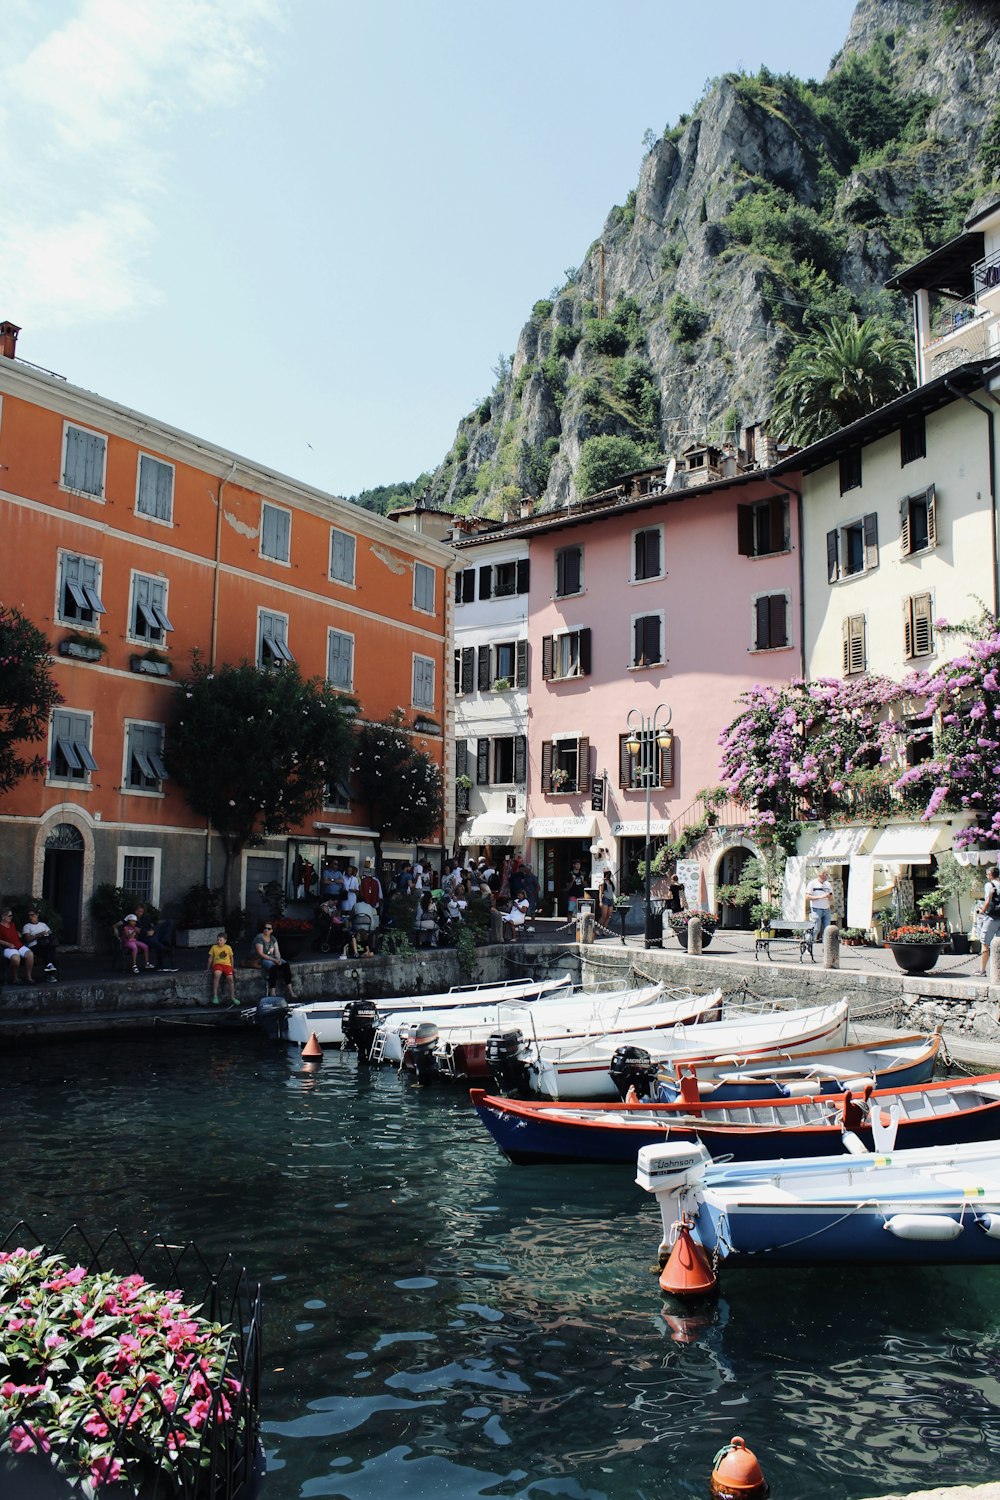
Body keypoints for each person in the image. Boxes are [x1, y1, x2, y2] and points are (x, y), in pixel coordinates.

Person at [253, 923, 297, 999]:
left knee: (285, 965)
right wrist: (274, 960)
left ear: (271, 931)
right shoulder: (259, 938)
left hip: (272, 957)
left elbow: (277, 951)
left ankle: (290, 990)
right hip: (262, 959)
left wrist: (278, 959)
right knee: (273, 968)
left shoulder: (273, 939)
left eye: (269, 929)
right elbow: (260, 954)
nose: (266, 930)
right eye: (265, 928)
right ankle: (272, 991)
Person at [1, 908, 34, 984]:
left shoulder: (12, 924)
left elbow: (13, 933)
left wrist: (17, 933)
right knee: (16, 958)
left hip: (18, 945)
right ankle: (15, 978)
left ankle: (28, 976)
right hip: (8, 947)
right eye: (9, 916)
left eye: (11, 916)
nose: (11, 917)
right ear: (3, 917)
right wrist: (8, 944)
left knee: (30, 954)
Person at [979, 864, 1000, 976]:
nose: (987, 876)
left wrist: (982, 911)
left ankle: (982, 970)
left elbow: (987, 901)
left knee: (985, 944)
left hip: (992, 917)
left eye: (987, 874)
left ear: (991, 875)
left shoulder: (989, 885)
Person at [21, 907, 56, 975]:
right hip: (34, 946)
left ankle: (50, 967)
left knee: (50, 949)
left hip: (45, 944)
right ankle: (50, 971)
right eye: (29, 915)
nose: (30, 917)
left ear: (37, 915)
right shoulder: (27, 926)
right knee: (49, 953)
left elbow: (50, 932)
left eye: (32, 915)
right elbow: (27, 939)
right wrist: (39, 935)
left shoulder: (43, 924)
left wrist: (45, 934)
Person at [207, 931, 237, 1005]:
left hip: (227, 965)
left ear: (225, 941)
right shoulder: (214, 947)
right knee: (217, 974)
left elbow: (231, 958)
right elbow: (210, 958)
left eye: (220, 940)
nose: (218, 941)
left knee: (230, 978)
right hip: (218, 964)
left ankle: (232, 997)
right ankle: (215, 996)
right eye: (218, 940)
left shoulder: (228, 947)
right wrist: (208, 968)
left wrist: (232, 967)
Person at [806, 867, 834, 944]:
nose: (827, 876)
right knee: (815, 929)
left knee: (827, 930)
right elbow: (807, 897)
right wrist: (820, 897)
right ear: (820, 874)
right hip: (816, 909)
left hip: (826, 909)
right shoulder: (812, 883)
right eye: (826, 874)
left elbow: (831, 897)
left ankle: (826, 950)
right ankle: (808, 945)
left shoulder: (828, 884)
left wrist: (829, 896)